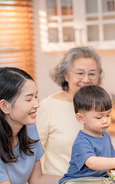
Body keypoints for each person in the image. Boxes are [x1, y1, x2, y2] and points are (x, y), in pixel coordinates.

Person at [36, 47, 102, 176]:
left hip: (95, 183)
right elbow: (33, 153)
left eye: (92, 74)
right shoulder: (47, 107)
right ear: (66, 75)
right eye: (79, 73)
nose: (86, 79)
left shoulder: (99, 105)